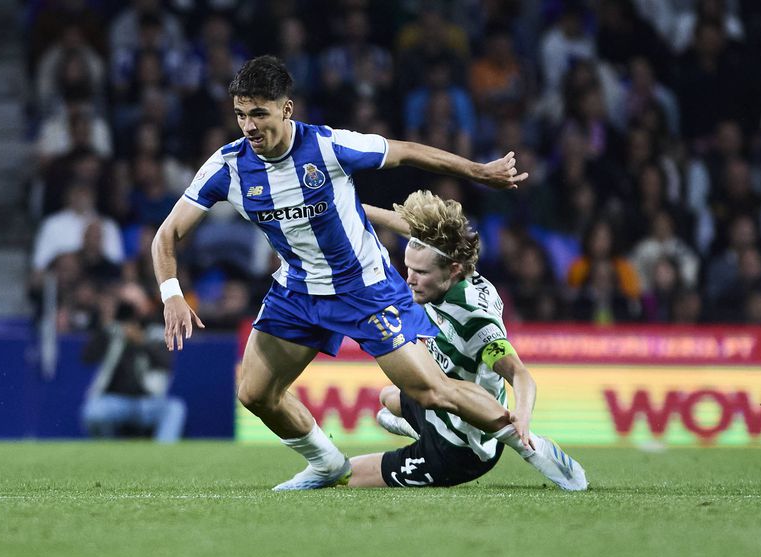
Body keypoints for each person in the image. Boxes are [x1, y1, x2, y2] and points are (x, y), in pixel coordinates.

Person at [151, 56, 529, 491]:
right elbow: (166, 234)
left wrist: (479, 171)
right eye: (240, 114)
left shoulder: (328, 147)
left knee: (431, 392)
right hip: (297, 292)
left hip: (363, 288)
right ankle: (327, 462)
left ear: (286, 109)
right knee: (254, 395)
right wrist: (172, 294)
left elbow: (406, 151)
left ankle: (528, 442)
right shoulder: (228, 166)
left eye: (259, 113)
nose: (249, 126)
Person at [351, 190, 587, 490]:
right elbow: (411, 228)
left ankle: (526, 445)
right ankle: (422, 425)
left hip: (462, 445)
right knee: (388, 400)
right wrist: (352, 207)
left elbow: (519, 373)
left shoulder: (473, 320)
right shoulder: (449, 263)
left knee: (345, 476)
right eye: (409, 268)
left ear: (452, 270)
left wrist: (522, 419)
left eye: (420, 272)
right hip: (439, 401)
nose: (409, 278)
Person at [80, 294, 185, 443]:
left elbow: (166, 363)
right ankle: (107, 452)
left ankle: (163, 455)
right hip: (116, 401)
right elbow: (87, 357)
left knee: (175, 409)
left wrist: (141, 341)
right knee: (92, 411)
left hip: (146, 402)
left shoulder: (155, 333)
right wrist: (104, 326)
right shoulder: (112, 333)